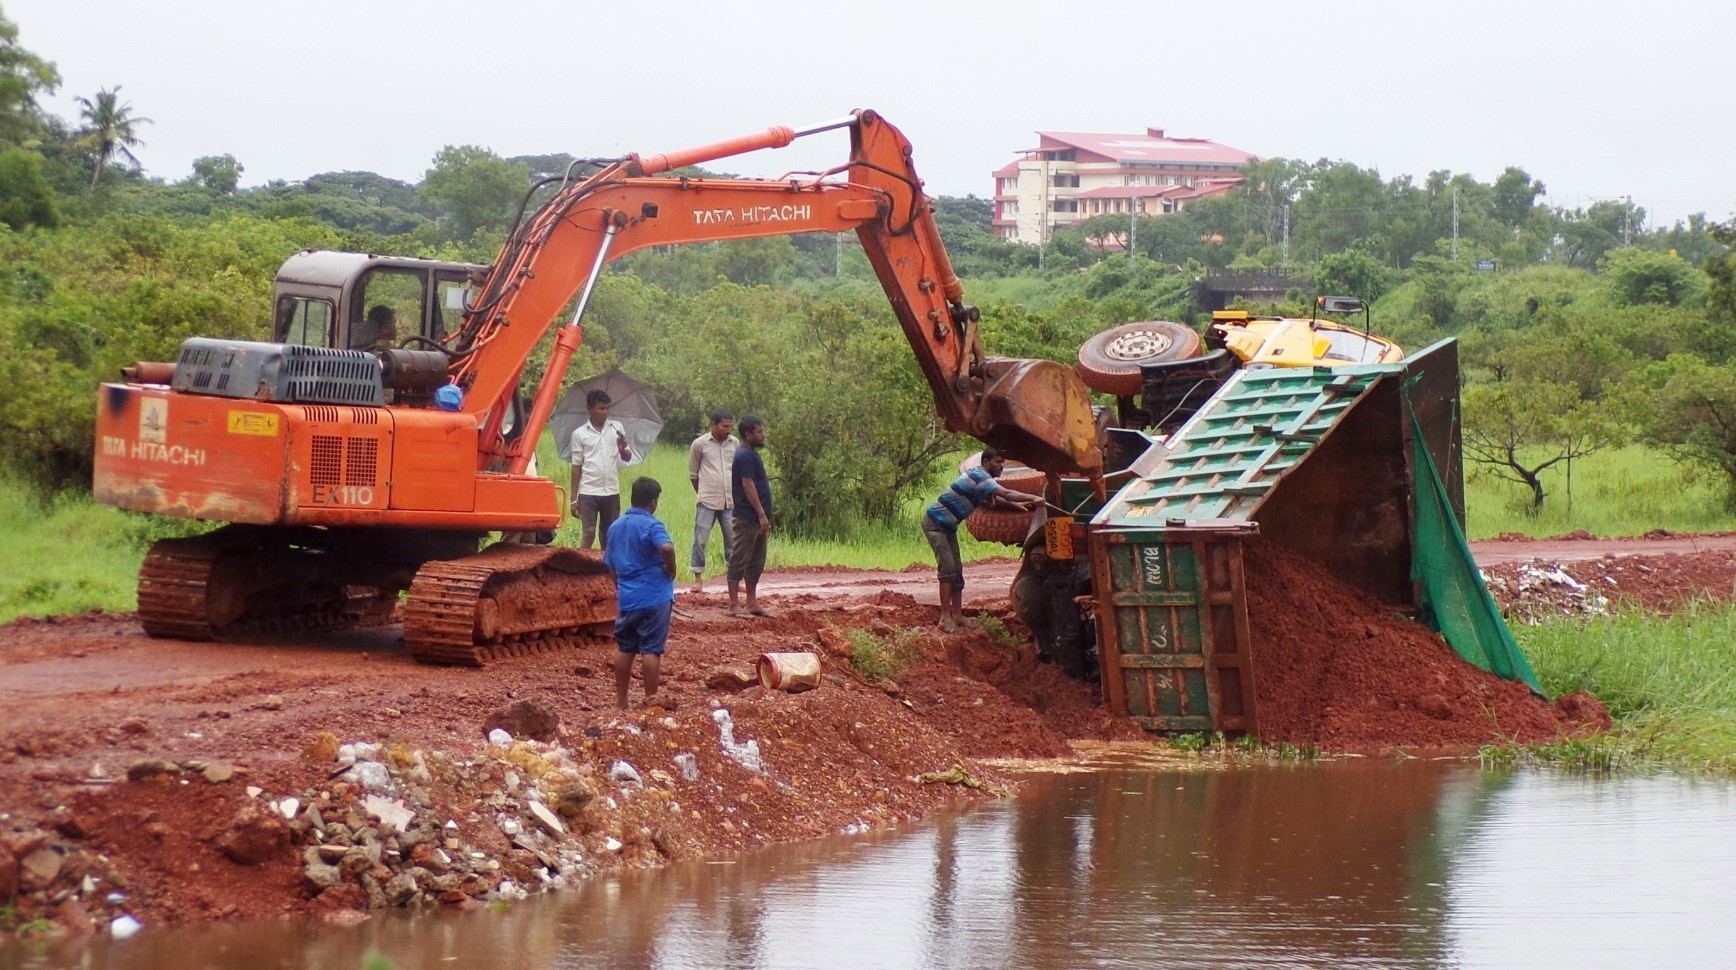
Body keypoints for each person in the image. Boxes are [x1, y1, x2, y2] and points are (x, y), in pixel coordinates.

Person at [923, 447, 1044, 632]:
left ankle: (957, 616)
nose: (1001, 467)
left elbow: (994, 500)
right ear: (985, 462)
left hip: (948, 526)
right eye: (997, 462)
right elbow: (1006, 493)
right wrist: (1035, 498)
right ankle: (944, 618)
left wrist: (1017, 505)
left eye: (1003, 463)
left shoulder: (980, 479)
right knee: (947, 569)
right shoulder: (979, 476)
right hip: (934, 524)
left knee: (956, 570)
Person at [603, 477, 677, 710]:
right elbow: (666, 547)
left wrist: (620, 587)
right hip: (654, 595)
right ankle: (650, 700)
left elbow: (610, 563)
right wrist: (671, 570)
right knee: (651, 650)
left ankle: (622, 702)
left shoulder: (615, 527)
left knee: (626, 648)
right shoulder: (652, 525)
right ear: (653, 502)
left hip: (628, 596)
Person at [570, 389, 635, 550]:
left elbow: (627, 457)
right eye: (601, 408)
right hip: (589, 490)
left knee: (609, 534)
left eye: (607, 408)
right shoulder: (579, 434)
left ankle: (606, 570)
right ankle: (580, 567)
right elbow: (576, 466)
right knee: (589, 532)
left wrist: (622, 448)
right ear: (589, 409)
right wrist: (573, 499)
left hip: (611, 490)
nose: (605, 412)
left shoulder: (616, 428)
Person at [686, 410, 739, 593]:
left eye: (731, 426)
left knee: (732, 540)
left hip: (729, 500)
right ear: (714, 425)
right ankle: (698, 578)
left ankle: (733, 580)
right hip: (707, 500)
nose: (728, 430)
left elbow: (737, 471)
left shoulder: (735, 444)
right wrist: (702, 493)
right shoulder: (699, 444)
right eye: (725, 426)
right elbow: (693, 474)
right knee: (700, 540)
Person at [726, 415, 772, 617]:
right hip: (747, 517)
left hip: (757, 518)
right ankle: (734, 604)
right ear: (748, 434)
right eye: (759, 432)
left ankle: (752, 602)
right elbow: (748, 484)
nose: (763, 435)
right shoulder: (744, 455)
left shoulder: (752, 454)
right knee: (740, 558)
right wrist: (761, 513)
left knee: (756, 560)